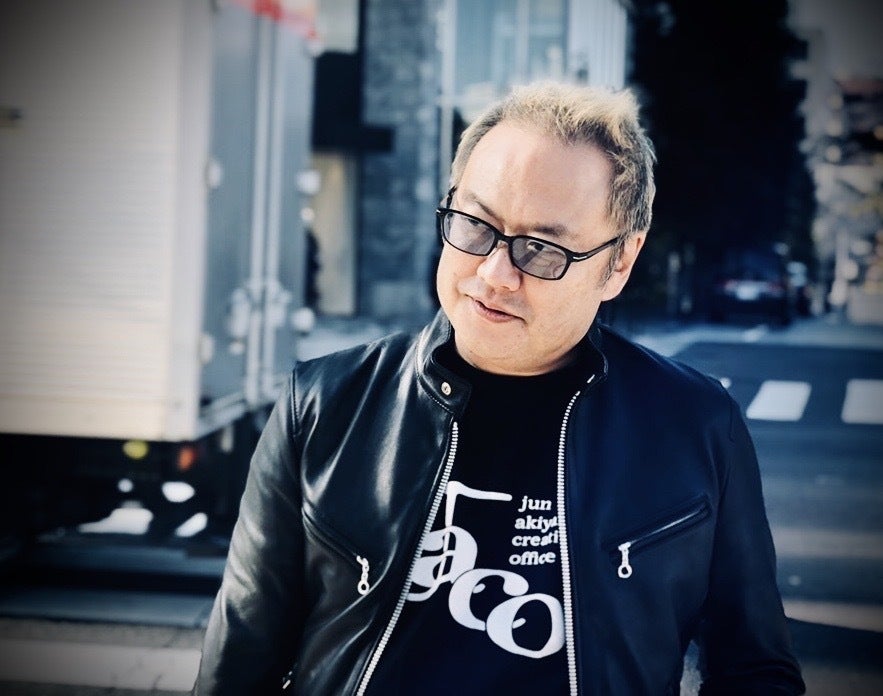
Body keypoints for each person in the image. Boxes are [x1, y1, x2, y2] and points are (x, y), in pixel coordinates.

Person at [193, 82, 805, 695]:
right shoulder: (323, 406)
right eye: (474, 225)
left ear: (618, 262)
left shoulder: (696, 427)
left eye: (541, 250)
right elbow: (239, 664)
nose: (493, 274)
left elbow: (754, 670)